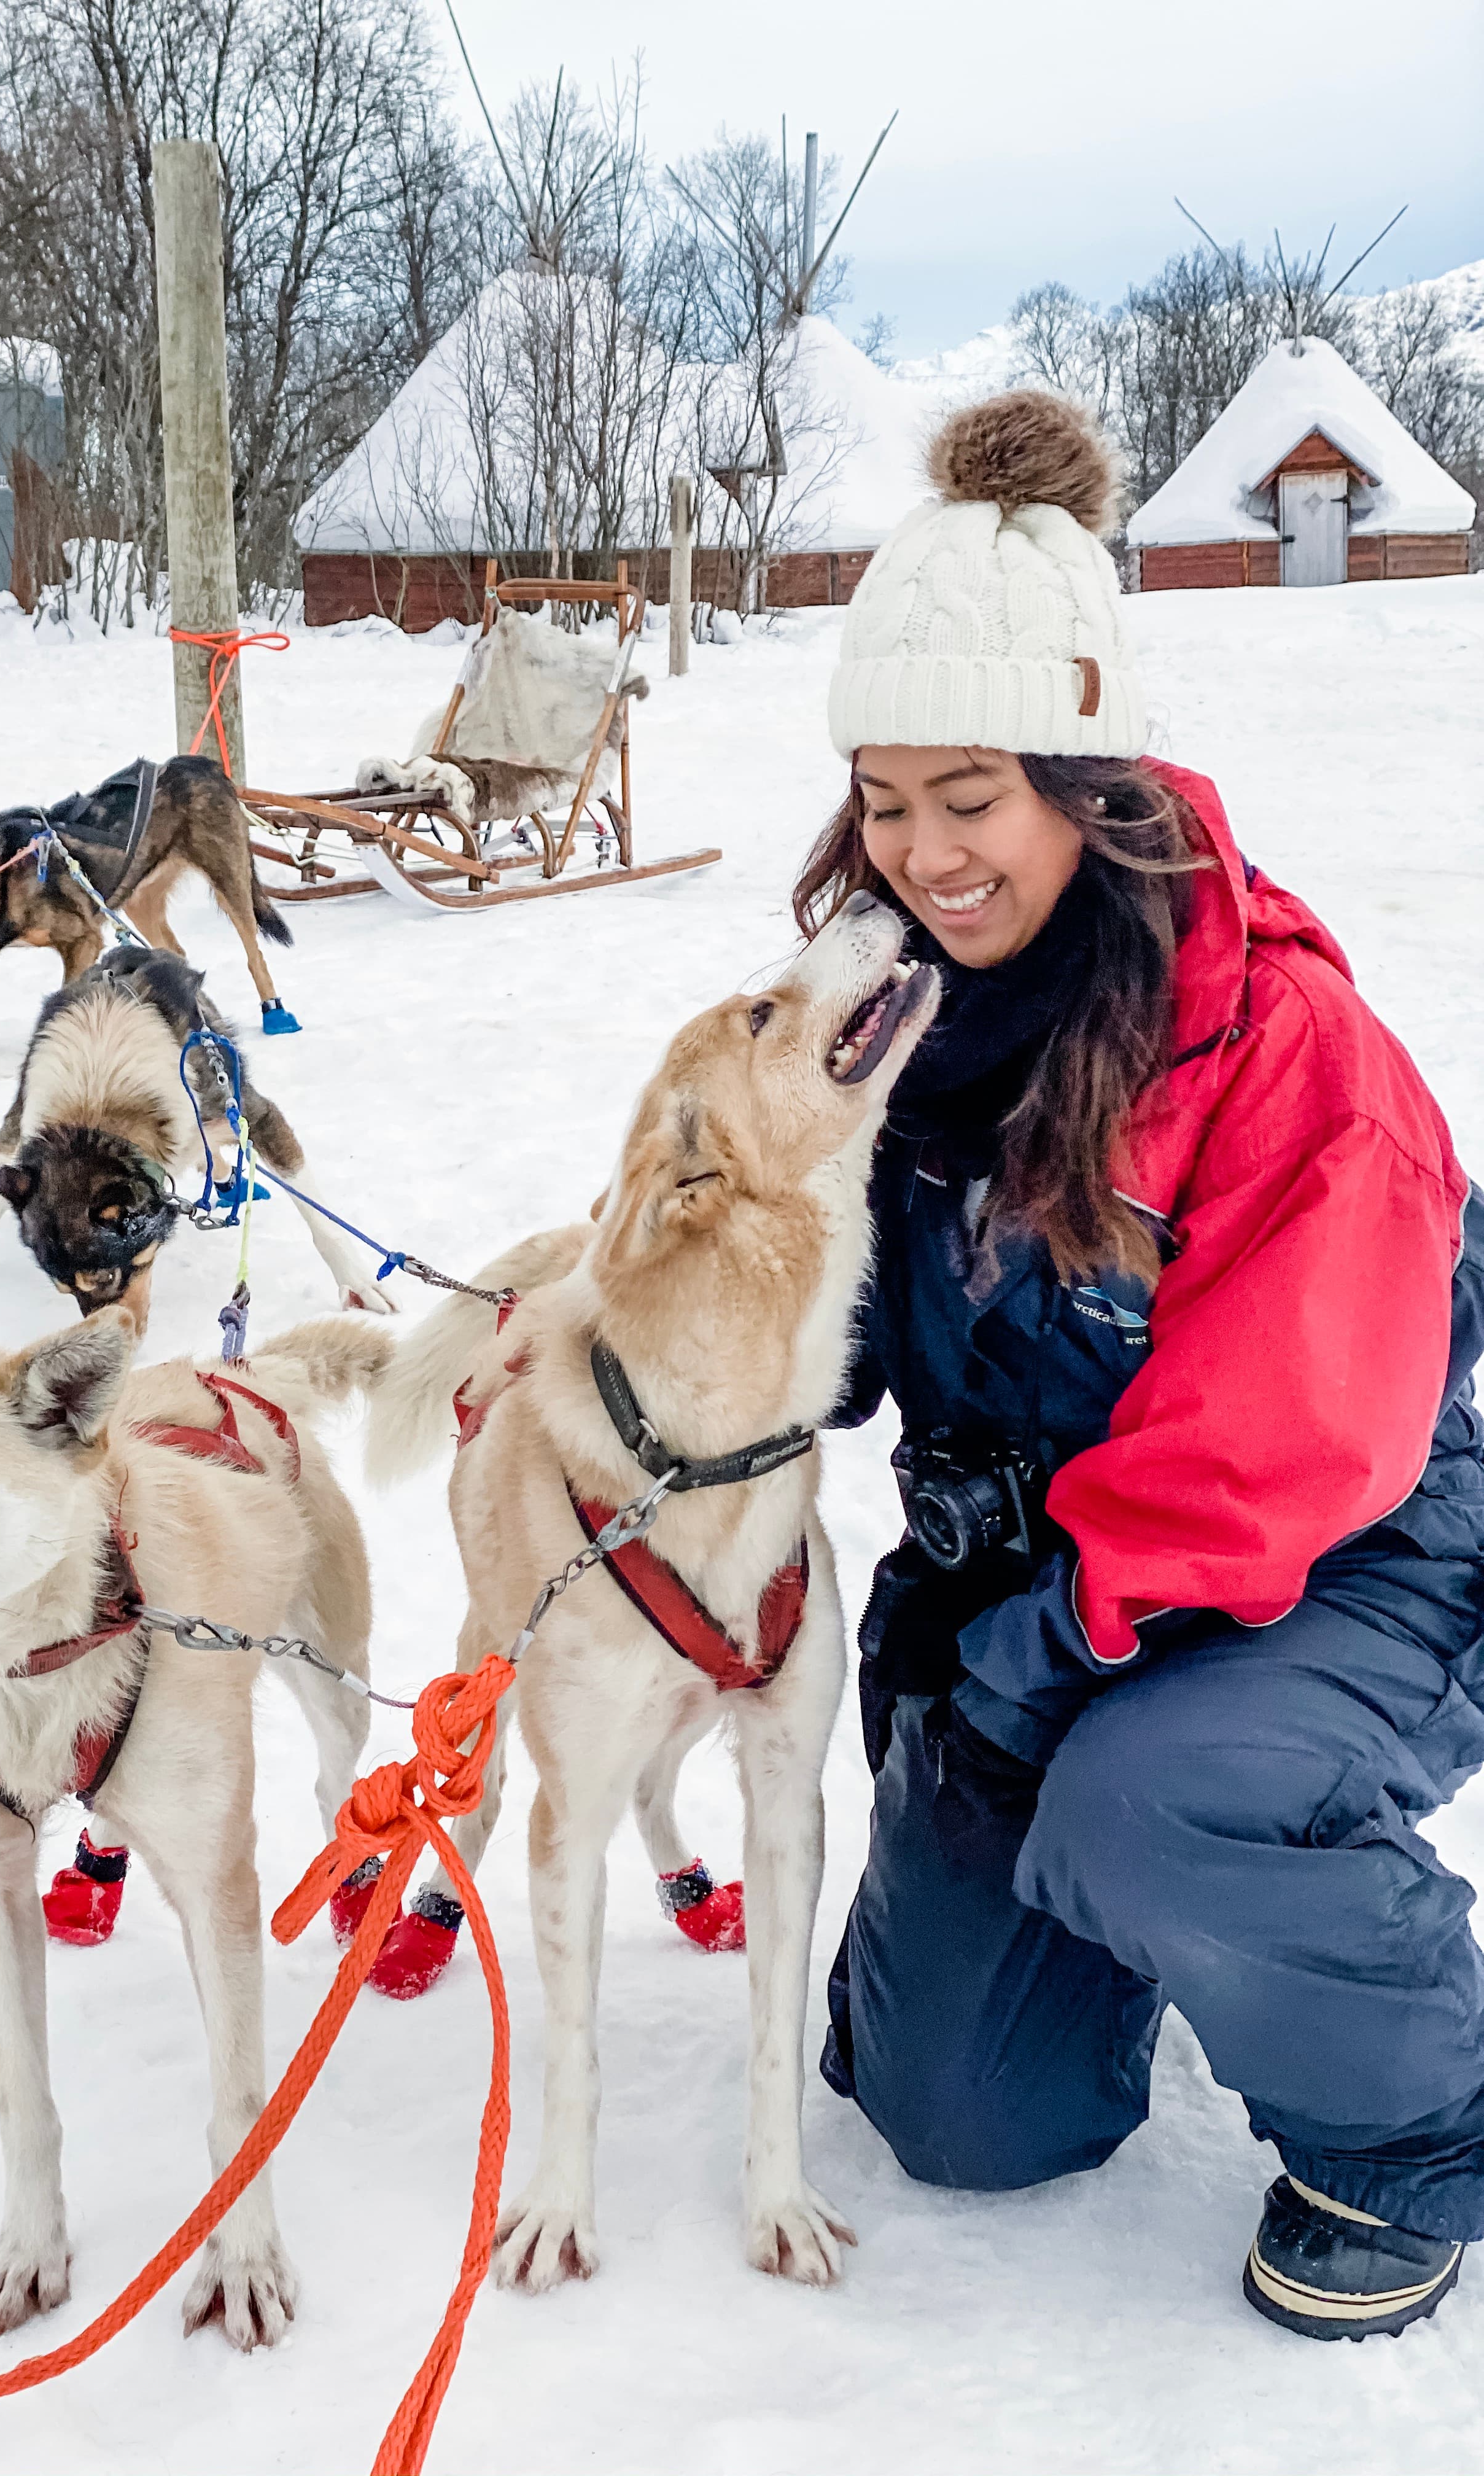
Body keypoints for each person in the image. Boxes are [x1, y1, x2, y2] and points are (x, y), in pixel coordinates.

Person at [802, 389, 1484, 2340]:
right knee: (950, 2111)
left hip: (1352, 1567)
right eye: (882, 796)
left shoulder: (1281, 1053)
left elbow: (1278, 1459)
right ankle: (1151, 1908)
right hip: (1066, 1599)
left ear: (1085, 782)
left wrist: (1025, 1675)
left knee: (1150, 1809)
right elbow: (803, 1316)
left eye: (969, 796)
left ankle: (1416, 2119)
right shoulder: (881, 1023)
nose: (919, 852)